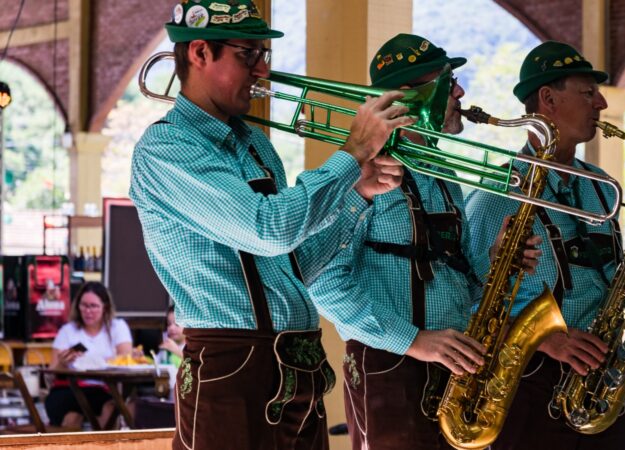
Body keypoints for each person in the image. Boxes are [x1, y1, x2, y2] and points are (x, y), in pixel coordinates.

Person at [129, 2, 411, 449]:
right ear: (200, 53)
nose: (262, 71)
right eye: (248, 55)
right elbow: (268, 228)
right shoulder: (167, 147)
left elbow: (295, 263)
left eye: (264, 55)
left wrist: (357, 196)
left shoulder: (255, 145)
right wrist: (352, 153)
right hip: (231, 366)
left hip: (296, 367)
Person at [309, 33, 542, 450]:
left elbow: (461, 283)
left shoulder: (445, 174)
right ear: (413, 96)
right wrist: (415, 341)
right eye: (448, 81)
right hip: (390, 366)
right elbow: (324, 285)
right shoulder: (356, 173)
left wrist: (497, 263)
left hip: (453, 368)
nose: (460, 92)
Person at [465, 41, 625, 450]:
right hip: (532, 380)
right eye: (588, 93)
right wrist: (547, 339)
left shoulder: (600, 186)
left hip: (606, 380)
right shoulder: (497, 195)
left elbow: (600, 276)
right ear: (548, 99)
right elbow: (470, 300)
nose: (602, 103)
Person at [45, 282, 133, 429]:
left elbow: (126, 360)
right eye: (84, 305)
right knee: (71, 418)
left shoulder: (117, 327)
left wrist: (95, 362)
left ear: (105, 307)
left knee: (111, 409)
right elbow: (50, 373)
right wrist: (63, 363)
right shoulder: (67, 331)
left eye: (93, 306)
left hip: (103, 390)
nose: (88, 311)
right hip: (69, 390)